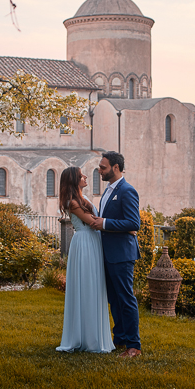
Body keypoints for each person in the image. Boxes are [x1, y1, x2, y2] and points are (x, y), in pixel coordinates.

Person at [56, 166, 115, 353]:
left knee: (94, 285)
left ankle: (92, 335)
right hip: (84, 244)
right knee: (87, 285)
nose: (85, 176)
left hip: (92, 241)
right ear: (74, 180)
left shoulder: (83, 199)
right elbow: (92, 222)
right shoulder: (73, 202)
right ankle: (87, 338)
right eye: (81, 175)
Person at [89, 151, 142, 358]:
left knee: (126, 299)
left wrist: (104, 223)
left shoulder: (127, 191)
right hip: (108, 254)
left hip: (122, 254)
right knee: (114, 299)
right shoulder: (108, 191)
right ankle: (119, 339)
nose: (100, 170)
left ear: (116, 168)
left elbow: (133, 223)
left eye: (103, 167)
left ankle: (133, 346)